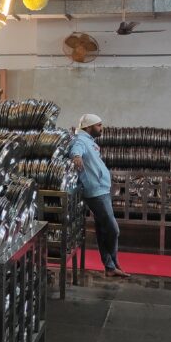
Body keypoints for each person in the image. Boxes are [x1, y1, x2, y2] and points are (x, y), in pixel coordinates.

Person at [71, 113, 129, 278]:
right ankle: (112, 263)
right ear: (88, 127)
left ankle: (110, 266)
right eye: (99, 125)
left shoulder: (90, 142)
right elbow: (76, 149)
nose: (101, 128)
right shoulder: (81, 141)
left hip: (102, 189)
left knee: (103, 229)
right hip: (95, 192)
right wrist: (76, 157)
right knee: (113, 229)